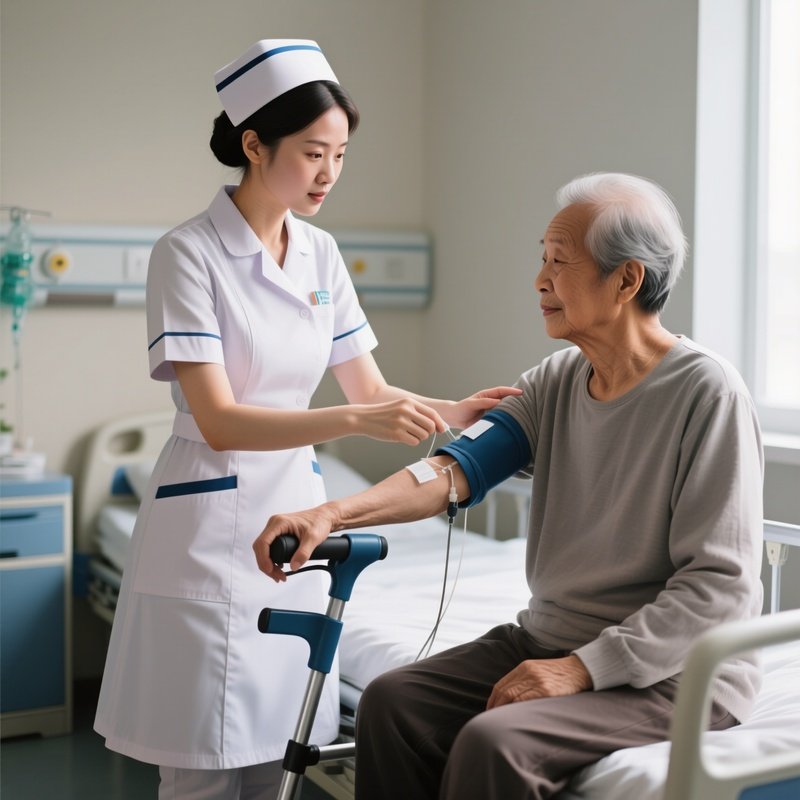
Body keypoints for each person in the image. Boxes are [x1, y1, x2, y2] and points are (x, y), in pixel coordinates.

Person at [93, 38, 519, 800]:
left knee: (275, 758)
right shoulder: (186, 255)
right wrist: (351, 420)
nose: (329, 173)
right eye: (313, 152)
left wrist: (452, 412)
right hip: (207, 528)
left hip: (296, 526)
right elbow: (220, 419)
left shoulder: (321, 254)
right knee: (202, 769)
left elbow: (372, 386)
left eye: (342, 154)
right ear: (253, 145)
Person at [255, 172, 765, 799]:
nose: (540, 280)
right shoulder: (556, 380)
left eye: (559, 262)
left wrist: (581, 669)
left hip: (673, 672)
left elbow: (718, 588)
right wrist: (329, 514)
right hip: (551, 641)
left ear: (627, 279)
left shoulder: (706, 392)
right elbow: (450, 472)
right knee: (393, 703)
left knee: (494, 742)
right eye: (541, 260)